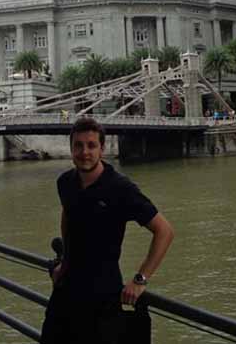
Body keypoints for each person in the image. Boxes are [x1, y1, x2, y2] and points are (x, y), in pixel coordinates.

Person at [41, 117, 174, 344]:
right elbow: (68, 214)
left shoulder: (120, 188)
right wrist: (65, 262)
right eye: (79, 145)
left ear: (102, 149)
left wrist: (140, 279)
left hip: (102, 298)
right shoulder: (65, 182)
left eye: (91, 145)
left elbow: (165, 231)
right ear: (71, 148)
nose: (85, 152)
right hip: (65, 293)